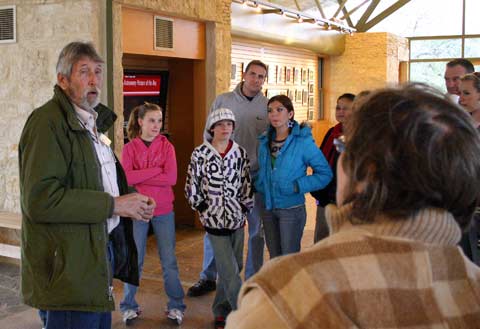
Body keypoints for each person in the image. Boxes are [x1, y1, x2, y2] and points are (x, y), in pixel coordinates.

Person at [226, 84, 480, 328]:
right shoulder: (473, 287)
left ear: (365, 168)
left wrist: (296, 186)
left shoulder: (286, 294)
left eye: (344, 145)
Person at [18, 41, 156, 329]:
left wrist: (131, 199)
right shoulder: (48, 123)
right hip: (68, 265)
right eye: (84, 72)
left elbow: (97, 179)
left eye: (98, 71)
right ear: (63, 80)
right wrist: (114, 205)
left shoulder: (91, 123)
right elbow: (40, 200)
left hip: (94, 251)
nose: (94, 80)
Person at [187, 60, 269, 296]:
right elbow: (207, 135)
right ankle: (208, 277)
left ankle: (252, 280)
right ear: (244, 74)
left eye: (261, 76)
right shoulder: (223, 100)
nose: (256, 79)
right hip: (222, 176)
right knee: (215, 228)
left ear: (264, 80)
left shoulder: (266, 107)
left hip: (254, 177)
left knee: (255, 231)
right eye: (252, 74)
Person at [185, 108, 254, 329]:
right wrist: (202, 207)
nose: (226, 128)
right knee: (229, 270)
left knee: (235, 265)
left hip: (236, 218)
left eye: (229, 124)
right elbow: (191, 184)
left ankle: (221, 311)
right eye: (221, 124)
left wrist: (245, 205)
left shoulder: (240, 153)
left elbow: (246, 182)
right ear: (212, 128)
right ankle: (242, 314)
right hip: (213, 220)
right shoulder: (200, 154)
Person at [119, 102, 186, 325]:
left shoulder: (168, 147)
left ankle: (176, 306)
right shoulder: (129, 148)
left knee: (169, 261)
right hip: (137, 210)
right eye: (151, 120)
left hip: (164, 209)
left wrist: (142, 175)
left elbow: (172, 179)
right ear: (140, 122)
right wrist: (157, 170)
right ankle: (128, 306)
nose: (156, 125)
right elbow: (126, 178)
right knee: (134, 260)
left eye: (159, 121)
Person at [256, 95, 332, 258]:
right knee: (275, 257)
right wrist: (260, 184)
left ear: (290, 114)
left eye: (279, 110)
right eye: (270, 111)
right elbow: (265, 170)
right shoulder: (264, 141)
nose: (274, 114)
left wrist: (298, 185)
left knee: (289, 259)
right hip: (268, 208)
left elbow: (325, 174)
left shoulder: (303, 142)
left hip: (291, 210)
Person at [311, 93, 355, 243]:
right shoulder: (332, 132)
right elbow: (321, 159)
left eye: (345, 108)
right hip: (326, 195)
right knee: (321, 239)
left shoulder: (358, 135)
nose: (340, 111)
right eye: (338, 107)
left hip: (346, 198)